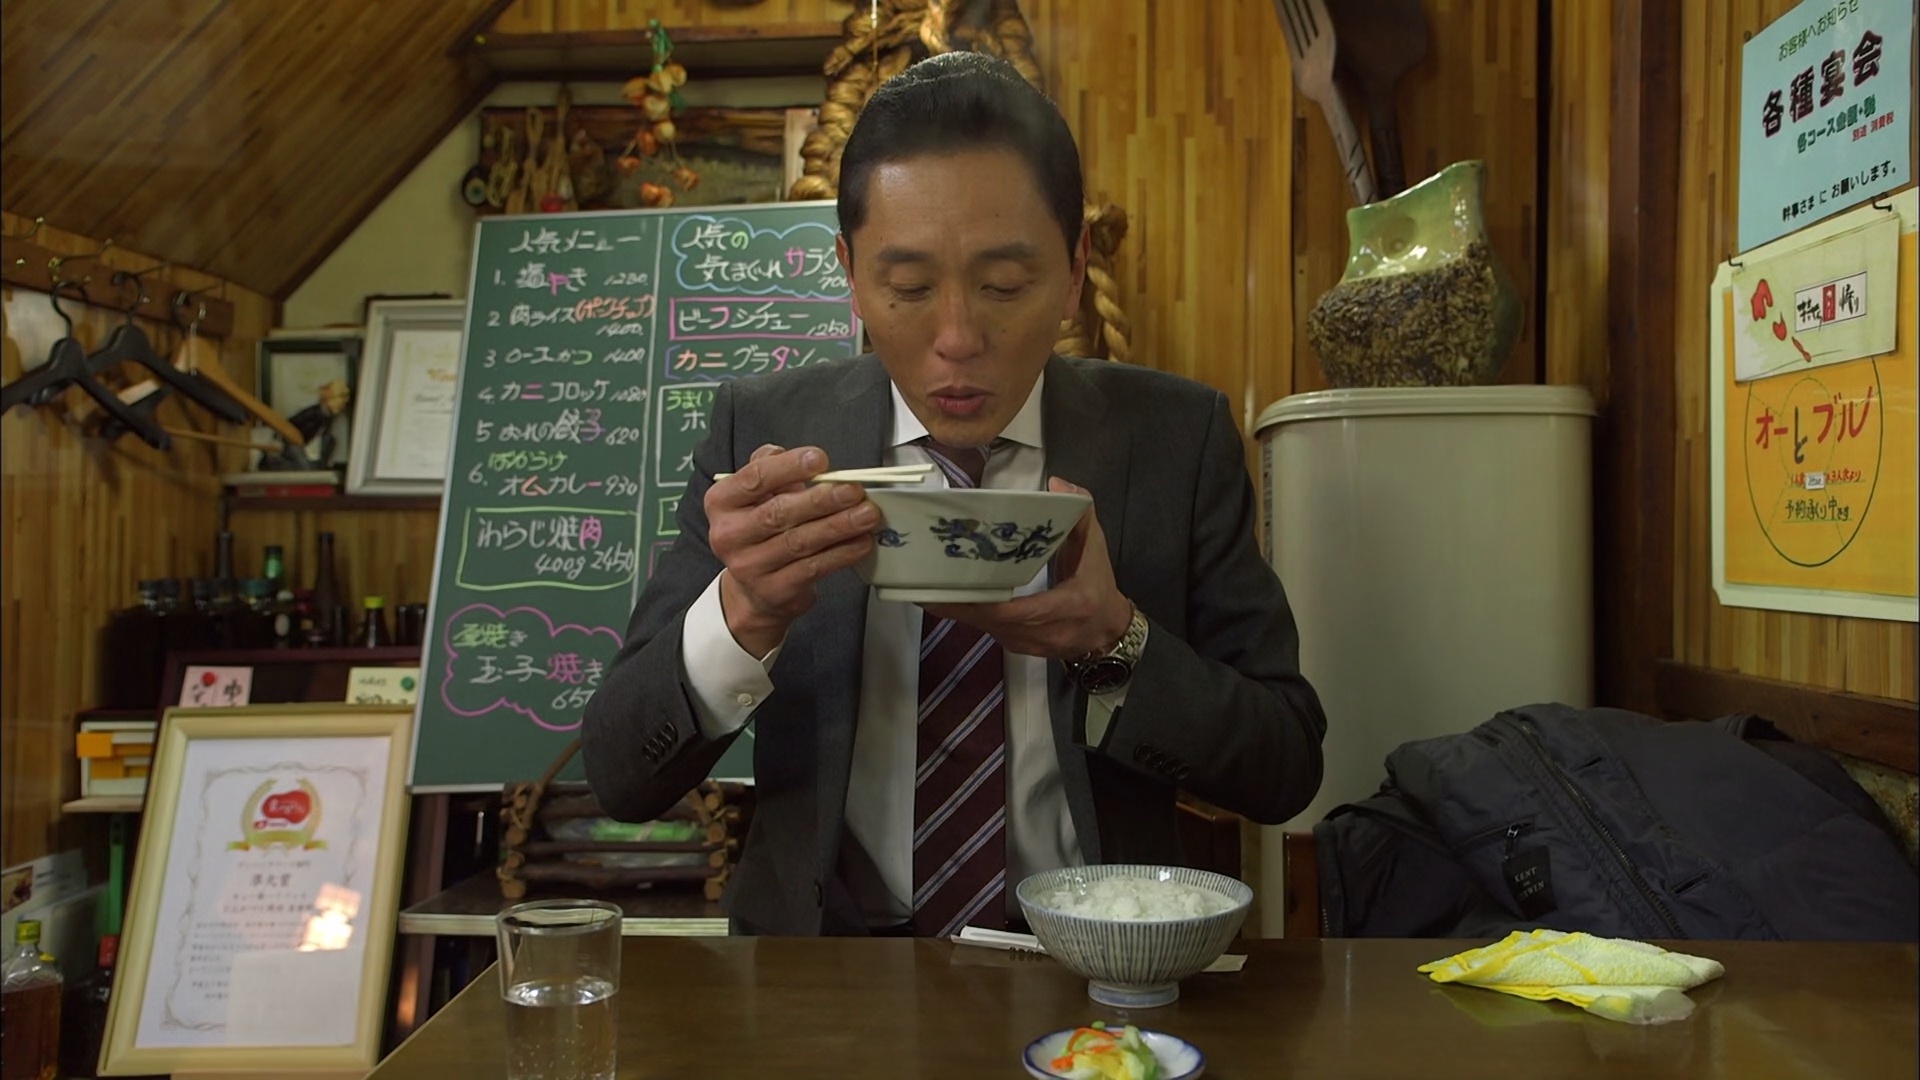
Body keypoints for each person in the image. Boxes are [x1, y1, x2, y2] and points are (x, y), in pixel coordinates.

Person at [583, 51, 1326, 937]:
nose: (959, 338)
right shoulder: (765, 436)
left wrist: (1114, 642)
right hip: (824, 969)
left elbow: (1286, 768)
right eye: (908, 288)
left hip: (1089, 966)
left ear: (1075, 268)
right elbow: (622, 776)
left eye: (1004, 286)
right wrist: (744, 613)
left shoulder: (1174, 438)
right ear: (850, 273)